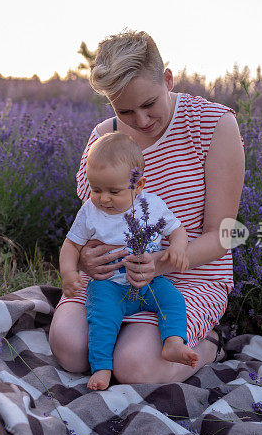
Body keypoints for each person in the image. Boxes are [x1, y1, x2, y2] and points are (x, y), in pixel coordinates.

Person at [49, 30, 245, 384]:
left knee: (134, 365)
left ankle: (209, 344)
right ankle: (127, 335)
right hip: (111, 279)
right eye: (125, 110)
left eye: (149, 104)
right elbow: (92, 225)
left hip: (189, 276)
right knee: (70, 348)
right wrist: (83, 260)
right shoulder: (103, 138)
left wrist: (161, 262)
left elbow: (224, 234)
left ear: (167, 79)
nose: (140, 120)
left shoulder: (212, 125)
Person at [60, 131, 198, 391]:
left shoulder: (152, 206)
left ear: (139, 185)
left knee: (173, 300)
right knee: (101, 320)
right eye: (96, 188)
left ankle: (174, 343)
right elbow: (71, 244)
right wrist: (69, 272)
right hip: (109, 284)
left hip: (149, 282)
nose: (103, 198)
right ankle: (102, 367)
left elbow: (177, 230)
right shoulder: (90, 211)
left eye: (114, 191)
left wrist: (179, 247)